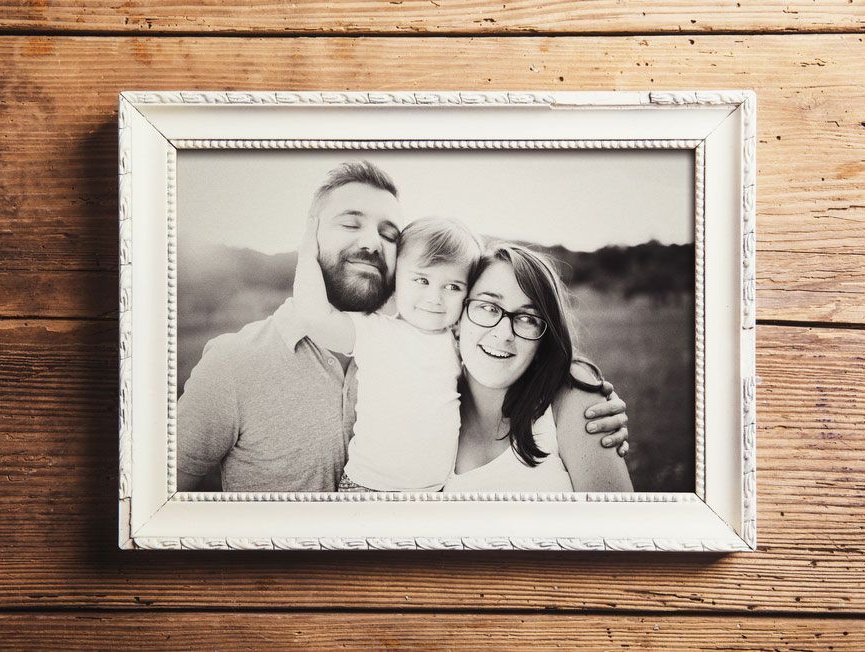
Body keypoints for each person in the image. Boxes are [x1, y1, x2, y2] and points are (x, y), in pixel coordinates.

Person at [177, 160, 630, 493]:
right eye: (349, 222)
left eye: (390, 234)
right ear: (310, 233)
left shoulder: (459, 353)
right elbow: (146, 500)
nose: (371, 242)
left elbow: (522, 358)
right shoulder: (236, 365)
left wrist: (583, 395)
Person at [294, 216, 480, 491]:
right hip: (369, 487)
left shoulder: (460, 342)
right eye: (421, 280)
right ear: (395, 281)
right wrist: (308, 256)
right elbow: (315, 318)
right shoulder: (375, 332)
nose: (435, 297)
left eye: (452, 286)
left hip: (433, 492)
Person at [443, 243, 633, 492]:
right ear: (457, 319)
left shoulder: (572, 396)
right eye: (488, 308)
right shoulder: (429, 406)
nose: (504, 334)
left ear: (544, 339)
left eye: (527, 319)